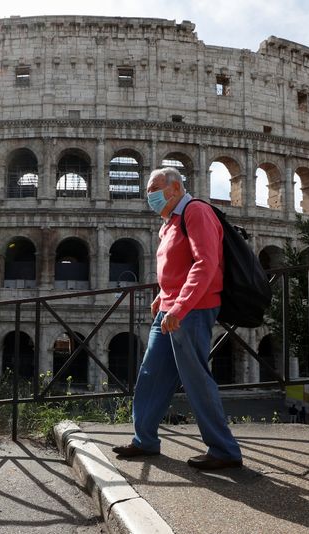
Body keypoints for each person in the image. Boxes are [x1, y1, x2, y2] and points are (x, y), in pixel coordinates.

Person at [112, 167, 243, 470]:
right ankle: (144, 439)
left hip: (192, 310)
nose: (149, 195)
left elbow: (205, 263)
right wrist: (163, 295)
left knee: (196, 379)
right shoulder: (171, 221)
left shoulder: (196, 212)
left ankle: (224, 450)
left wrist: (180, 306)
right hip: (172, 308)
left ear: (174, 189)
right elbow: (178, 265)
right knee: (151, 374)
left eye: (154, 188)